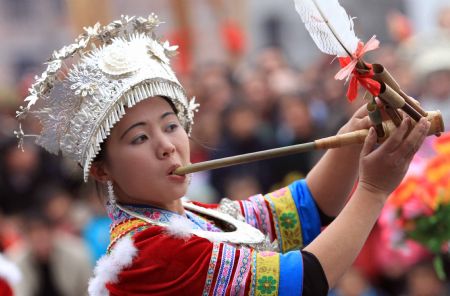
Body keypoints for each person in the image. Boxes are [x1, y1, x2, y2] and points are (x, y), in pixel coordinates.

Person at [16, 14, 431, 296]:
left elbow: (304, 208)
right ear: (103, 168)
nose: (166, 144)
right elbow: (303, 281)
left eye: (171, 124)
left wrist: (354, 135)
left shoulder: (187, 217)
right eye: (139, 139)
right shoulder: (149, 251)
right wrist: (374, 189)